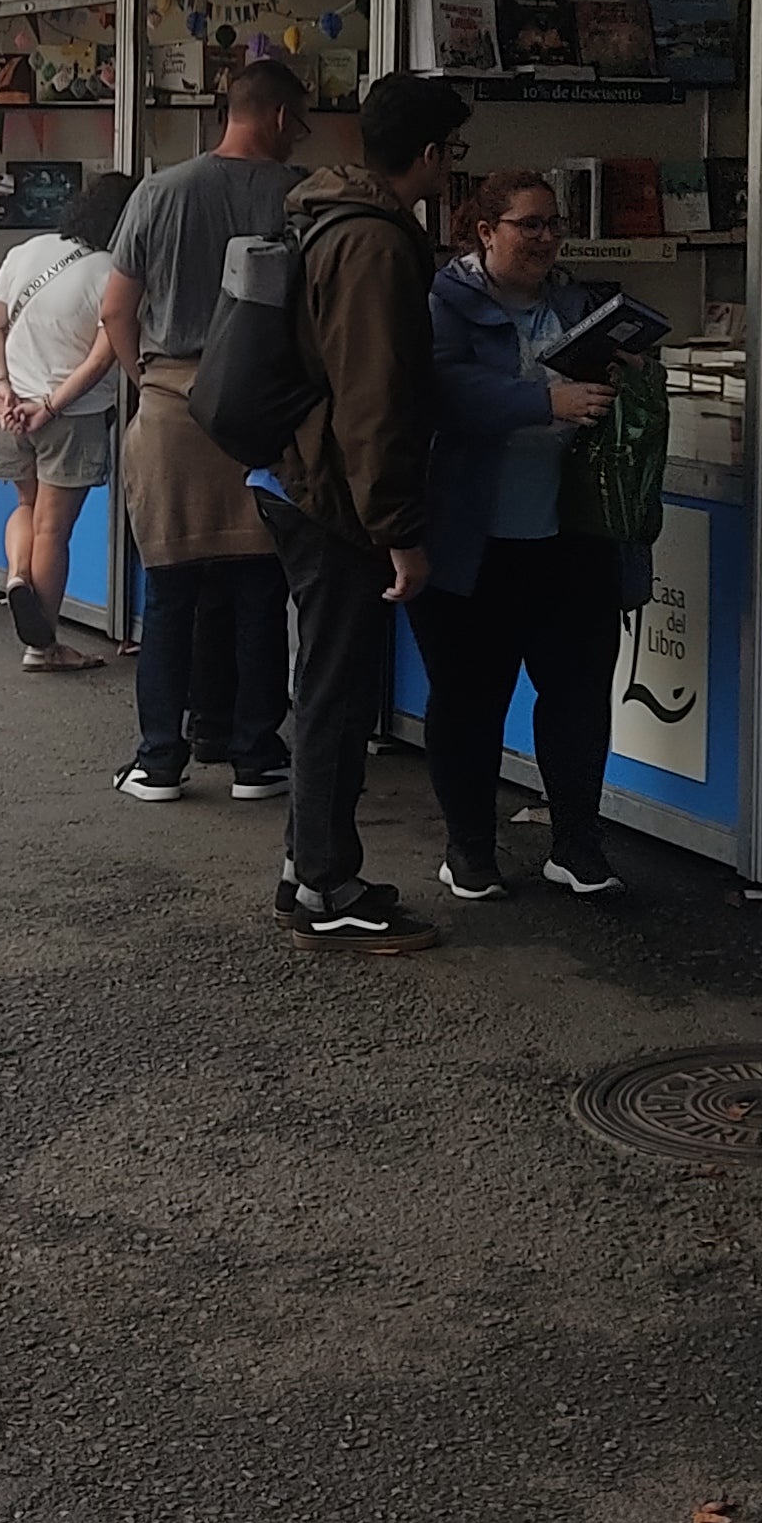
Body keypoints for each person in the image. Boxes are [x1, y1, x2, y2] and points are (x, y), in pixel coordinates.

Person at [253, 68, 469, 955]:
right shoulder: (377, 245)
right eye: (453, 152)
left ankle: (310, 861)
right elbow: (375, 401)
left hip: (295, 475)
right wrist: (399, 533)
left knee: (327, 687)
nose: (454, 168)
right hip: (333, 494)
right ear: (427, 155)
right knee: (337, 695)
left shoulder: (320, 214)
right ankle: (327, 884)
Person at [416, 171, 645, 901]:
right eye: (529, 224)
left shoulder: (579, 305)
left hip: (571, 534)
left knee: (578, 693)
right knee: (469, 698)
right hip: (473, 538)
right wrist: (542, 400)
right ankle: (470, 849)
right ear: (485, 231)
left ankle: (578, 844)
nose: (546, 238)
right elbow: (441, 390)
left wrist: (628, 377)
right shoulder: (441, 304)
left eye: (554, 224)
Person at [96, 61, 308, 703]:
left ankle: (161, 755)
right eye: (298, 123)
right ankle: (255, 751)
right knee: (259, 590)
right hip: (269, 416)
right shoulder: (300, 195)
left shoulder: (159, 193)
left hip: (173, 409)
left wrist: (149, 379)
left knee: (170, 593)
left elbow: (114, 309)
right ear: (278, 117)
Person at [0, 173, 148, 697]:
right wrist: (50, 405)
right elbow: (104, 355)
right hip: (67, 415)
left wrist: (1, 389)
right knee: (55, 529)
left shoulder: (28, 249)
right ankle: (43, 646)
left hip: (9, 408)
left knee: (26, 508)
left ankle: (15, 579)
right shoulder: (114, 272)